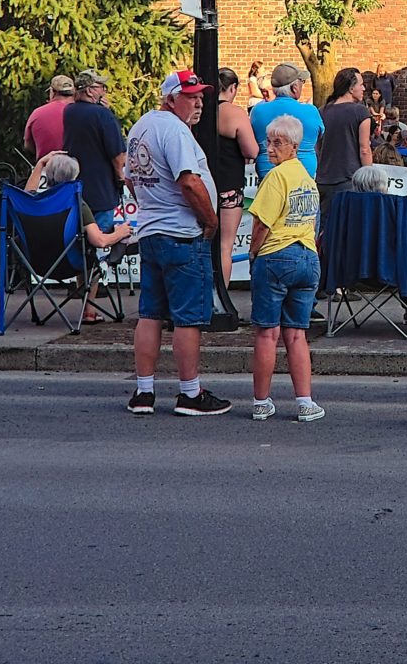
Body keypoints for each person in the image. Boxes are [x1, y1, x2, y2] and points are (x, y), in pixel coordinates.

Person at [124, 70, 230, 417]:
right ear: (171, 99)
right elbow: (188, 181)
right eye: (191, 96)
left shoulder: (142, 126)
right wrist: (210, 220)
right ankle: (189, 393)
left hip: (152, 231)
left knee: (150, 313)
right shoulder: (175, 130)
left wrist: (151, 203)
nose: (198, 102)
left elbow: (129, 177)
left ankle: (144, 391)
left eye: (200, 96)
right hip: (182, 233)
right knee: (188, 317)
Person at [248, 113, 324, 422]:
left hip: (277, 255)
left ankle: (261, 401)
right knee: (297, 334)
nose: (270, 148)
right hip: (307, 256)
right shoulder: (307, 179)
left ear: (293, 146)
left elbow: (260, 224)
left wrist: (254, 254)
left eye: (278, 142)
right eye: (268, 141)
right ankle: (305, 402)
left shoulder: (276, 178)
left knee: (268, 333)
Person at [26, 150, 135, 321]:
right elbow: (100, 241)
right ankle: (89, 311)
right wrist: (120, 232)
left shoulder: (34, 202)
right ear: (74, 178)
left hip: (36, 263)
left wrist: (40, 164)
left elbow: (27, 192)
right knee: (95, 253)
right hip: (71, 262)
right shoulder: (77, 204)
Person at [212, 68, 262, 290]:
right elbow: (252, 151)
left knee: (202, 246)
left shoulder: (200, 111)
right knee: (225, 246)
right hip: (229, 185)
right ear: (232, 88)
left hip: (203, 184)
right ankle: (220, 298)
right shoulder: (235, 113)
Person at [63, 70, 128, 241]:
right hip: (101, 191)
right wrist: (120, 176)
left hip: (77, 188)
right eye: (101, 87)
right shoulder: (102, 114)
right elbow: (118, 155)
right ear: (90, 90)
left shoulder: (69, 111)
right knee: (101, 244)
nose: (104, 92)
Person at [249, 62, 324, 182]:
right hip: (304, 179)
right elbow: (319, 137)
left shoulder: (257, 111)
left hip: (268, 177)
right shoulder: (310, 111)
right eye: (302, 83)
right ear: (294, 88)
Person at [314, 67, 373, 219]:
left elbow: (317, 146)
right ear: (351, 88)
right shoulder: (360, 112)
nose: (364, 88)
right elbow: (364, 148)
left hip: (323, 180)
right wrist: (369, 178)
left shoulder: (322, 111)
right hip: (350, 179)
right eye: (361, 84)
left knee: (326, 229)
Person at [22, 74, 76, 161]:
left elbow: (28, 145)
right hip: (78, 167)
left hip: (47, 167)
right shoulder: (83, 113)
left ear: (52, 92)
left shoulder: (37, 113)